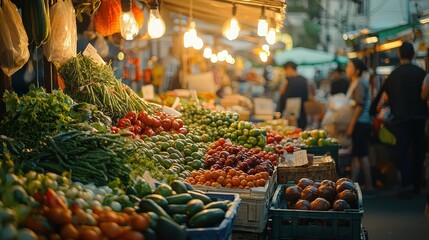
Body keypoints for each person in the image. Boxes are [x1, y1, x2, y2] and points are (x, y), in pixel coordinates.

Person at [370, 42, 428, 198]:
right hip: (420, 117)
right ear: (413, 55)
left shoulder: (393, 75)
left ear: (399, 55)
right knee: (418, 150)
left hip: (400, 119)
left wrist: (372, 111)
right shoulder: (421, 73)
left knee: (402, 151)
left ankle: (406, 184)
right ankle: (417, 184)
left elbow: (378, 99)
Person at [345, 58, 375, 195]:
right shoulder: (355, 82)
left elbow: (360, 106)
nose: (347, 69)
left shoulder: (360, 83)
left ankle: (369, 186)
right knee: (356, 155)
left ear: (357, 70)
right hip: (359, 123)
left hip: (361, 123)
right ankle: (352, 185)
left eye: (350, 67)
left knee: (362, 155)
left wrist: (351, 126)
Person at [277, 61, 310, 129]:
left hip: (289, 111)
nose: (285, 72)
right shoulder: (304, 79)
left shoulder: (287, 80)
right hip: (302, 112)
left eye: (285, 70)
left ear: (289, 68)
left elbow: (281, 93)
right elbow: (308, 95)